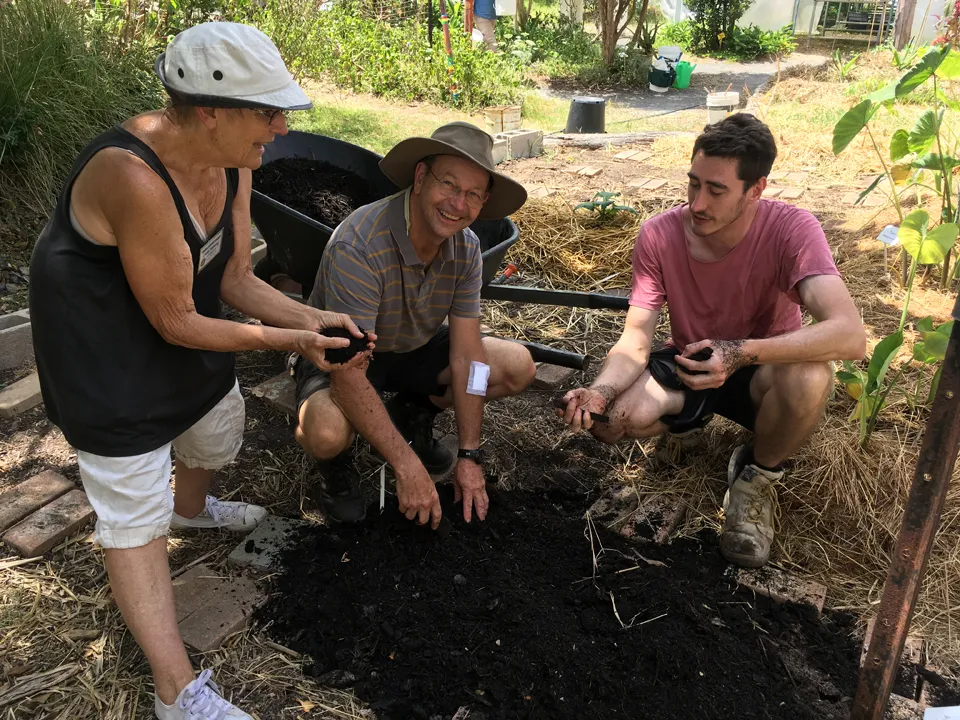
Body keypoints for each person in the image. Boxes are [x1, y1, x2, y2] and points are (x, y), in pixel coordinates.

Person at [29, 22, 371, 720]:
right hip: (103, 351)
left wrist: (314, 319)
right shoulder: (133, 176)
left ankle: (193, 510)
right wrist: (289, 343)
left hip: (175, 319)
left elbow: (238, 278)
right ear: (210, 109)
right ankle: (175, 692)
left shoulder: (234, 161)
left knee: (216, 428)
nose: (280, 127)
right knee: (133, 514)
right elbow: (178, 322)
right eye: (267, 111)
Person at [557, 113, 866, 569]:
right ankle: (688, 429)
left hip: (763, 370)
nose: (698, 203)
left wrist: (741, 352)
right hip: (692, 364)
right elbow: (637, 337)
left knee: (811, 373)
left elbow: (849, 333)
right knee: (611, 421)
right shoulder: (659, 234)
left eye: (717, 190)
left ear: (756, 189)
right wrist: (601, 389)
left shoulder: (793, 230)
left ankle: (758, 477)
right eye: (693, 184)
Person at [294, 122, 537, 529]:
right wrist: (407, 467)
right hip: (342, 359)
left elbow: (468, 355)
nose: (458, 204)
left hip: (412, 348)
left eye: (473, 194)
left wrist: (469, 453)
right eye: (449, 184)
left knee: (516, 366)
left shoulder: (467, 248)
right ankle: (338, 469)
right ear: (421, 177)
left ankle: (411, 414)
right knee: (326, 431)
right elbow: (348, 374)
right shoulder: (359, 245)